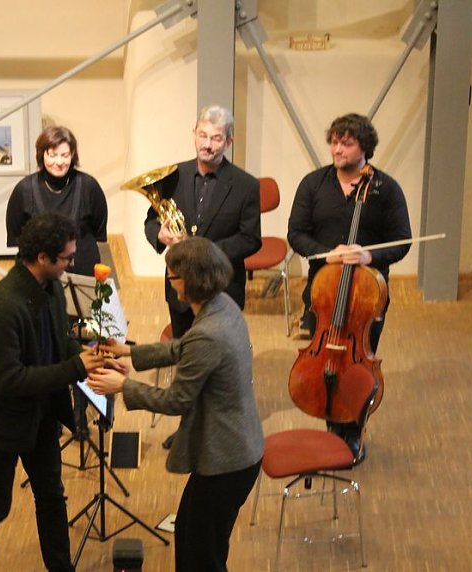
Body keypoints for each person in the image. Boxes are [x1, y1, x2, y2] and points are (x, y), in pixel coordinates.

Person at [87, 237, 264, 572]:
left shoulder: (210, 331)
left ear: (190, 281)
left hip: (227, 459)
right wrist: (130, 353)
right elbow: (184, 347)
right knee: (188, 535)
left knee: (202, 558)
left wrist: (123, 385)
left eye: (172, 277)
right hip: (235, 449)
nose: (169, 283)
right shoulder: (222, 305)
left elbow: (176, 400)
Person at [0, 210, 105, 572]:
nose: (71, 263)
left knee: (52, 497)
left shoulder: (52, 288)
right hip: (0, 424)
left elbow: (60, 341)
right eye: (67, 257)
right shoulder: (1, 305)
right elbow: (12, 380)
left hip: (39, 417)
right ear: (43, 258)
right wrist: (76, 367)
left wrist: (87, 356)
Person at [287, 113, 411, 455]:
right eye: (334, 141)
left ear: (364, 148)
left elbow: (402, 241)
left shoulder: (386, 189)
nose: (337, 149)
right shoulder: (313, 184)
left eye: (347, 143)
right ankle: (331, 423)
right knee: (324, 362)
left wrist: (370, 257)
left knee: (356, 368)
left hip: (365, 301)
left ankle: (353, 428)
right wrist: (326, 254)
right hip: (323, 297)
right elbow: (296, 234)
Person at [144, 104, 262, 339]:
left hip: (222, 289)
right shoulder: (173, 175)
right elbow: (151, 220)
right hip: (180, 287)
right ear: (194, 134)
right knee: (183, 353)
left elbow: (250, 239)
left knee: (219, 357)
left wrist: (205, 252)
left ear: (229, 142)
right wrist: (160, 234)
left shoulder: (246, 185)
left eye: (216, 138)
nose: (207, 144)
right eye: (203, 135)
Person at [6, 125, 108, 276]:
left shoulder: (89, 186)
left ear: (73, 155)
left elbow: (99, 230)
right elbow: (16, 236)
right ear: (42, 155)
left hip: (82, 271)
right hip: (38, 276)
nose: (59, 162)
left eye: (65, 155)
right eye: (52, 155)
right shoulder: (24, 189)